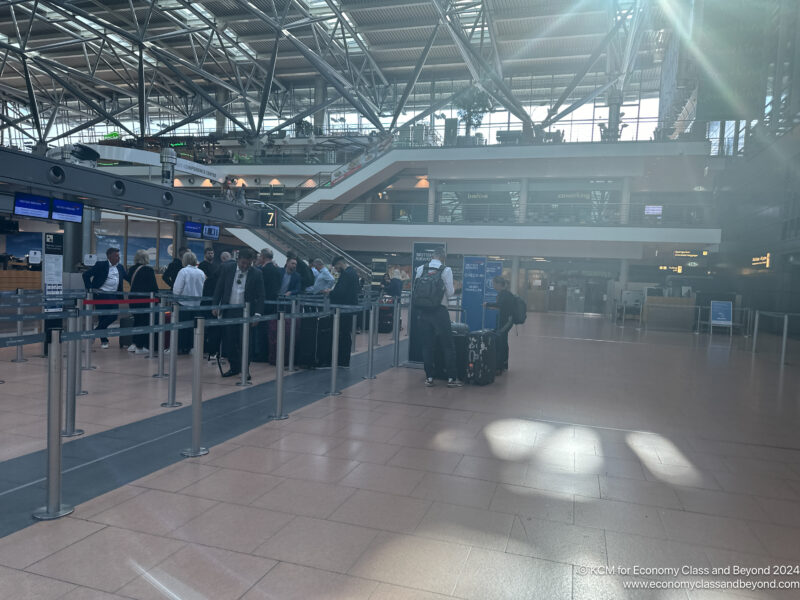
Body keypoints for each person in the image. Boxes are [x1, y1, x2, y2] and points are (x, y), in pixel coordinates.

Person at [414, 249, 462, 387]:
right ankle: (452, 379)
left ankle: (429, 378)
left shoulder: (422, 268)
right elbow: (450, 292)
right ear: (443, 258)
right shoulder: (446, 270)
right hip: (439, 310)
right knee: (447, 345)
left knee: (427, 346)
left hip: (423, 311)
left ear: (432, 257)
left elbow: (416, 288)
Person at [213, 248, 265, 378]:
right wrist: (215, 305)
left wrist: (257, 314)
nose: (245, 266)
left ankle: (245, 369)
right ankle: (234, 367)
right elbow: (219, 287)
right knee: (229, 341)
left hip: (246, 312)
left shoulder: (257, 273)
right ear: (238, 260)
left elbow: (261, 295)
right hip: (229, 310)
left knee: (245, 342)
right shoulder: (227, 269)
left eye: (248, 263)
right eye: (243, 263)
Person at [82, 247, 127, 349]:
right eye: (116, 256)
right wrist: (90, 289)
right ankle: (104, 340)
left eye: (119, 256)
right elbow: (85, 275)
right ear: (109, 256)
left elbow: (127, 277)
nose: (118, 258)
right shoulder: (100, 265)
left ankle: (95, 332)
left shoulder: (120, 267)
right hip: (101, 295)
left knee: (114, 316)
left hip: (114, 295)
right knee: (102, 318)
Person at [325, 256, 360, 367]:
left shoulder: (346, 274)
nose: (335, 270)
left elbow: (341, 292)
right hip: (349, 308)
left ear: (340, 264)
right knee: (346, 334)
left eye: (336, 267)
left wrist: (330, 292)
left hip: (343, 309)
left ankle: (341, 360)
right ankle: (344, 360)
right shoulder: (353, 272)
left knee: (342, 334)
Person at [173, 251, 206, 355]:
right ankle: (192, 347)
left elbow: (177, 289)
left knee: (182, 328)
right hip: (197, 305)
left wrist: (176, 298)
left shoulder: (183, 271)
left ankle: (182, 348)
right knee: (194, 328)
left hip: (183, 304)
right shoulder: (201, 272)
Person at [127, 249, 159, 354]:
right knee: (145, 322)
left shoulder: (131, 269)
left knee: (136, 320)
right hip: (146, 301)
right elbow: (153, 287)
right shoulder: (149, 270)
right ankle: (141, 346)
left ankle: (135, 343)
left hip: (133, 299)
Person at [484, 276, 514, 374]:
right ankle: (504, 364)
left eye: (494, 284)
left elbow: (500, 305)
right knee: (503, 341)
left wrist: (488, 304)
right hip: (505, 320)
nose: (493, 286)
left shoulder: (504, 294)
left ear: (498, 284)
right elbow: (504, 307)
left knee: (501, 341)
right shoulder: (504, 294)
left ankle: (499, 366)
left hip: (506, 321)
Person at [258, 248, 282, 314]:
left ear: (263, 257)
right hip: (274, 302)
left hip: (263, 302)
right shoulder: (277, 270)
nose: (259, 258)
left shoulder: (263, 270)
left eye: (260, 256)